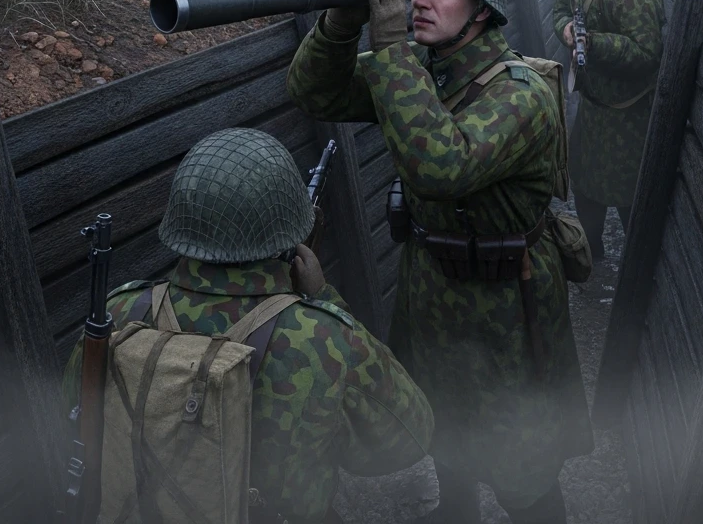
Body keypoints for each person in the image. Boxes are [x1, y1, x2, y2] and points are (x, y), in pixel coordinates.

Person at [286, 0, 591, 524]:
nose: (419, 1)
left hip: (507, 302)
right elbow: (313, 92)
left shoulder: (520, 93)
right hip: (431, 288)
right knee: (443, 427)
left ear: (481, 10)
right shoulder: (425, 71)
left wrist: (391, 47)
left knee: (521, 462)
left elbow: (439, 165)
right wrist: (340, 27)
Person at [63, 127, 433, 524]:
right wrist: (323, 296)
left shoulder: (118, 313)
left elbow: (73, 412)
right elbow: (410, 437)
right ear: (289, 234)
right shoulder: (324, 336)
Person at [550, 0, 664, 259]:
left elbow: (648, 55)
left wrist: (594, 44)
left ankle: (636, 269)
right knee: (584, 184)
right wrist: (567, 31)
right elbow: (560, 12)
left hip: (629, 114)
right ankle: (591, 257)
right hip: (593, 105)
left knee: (631, 194)